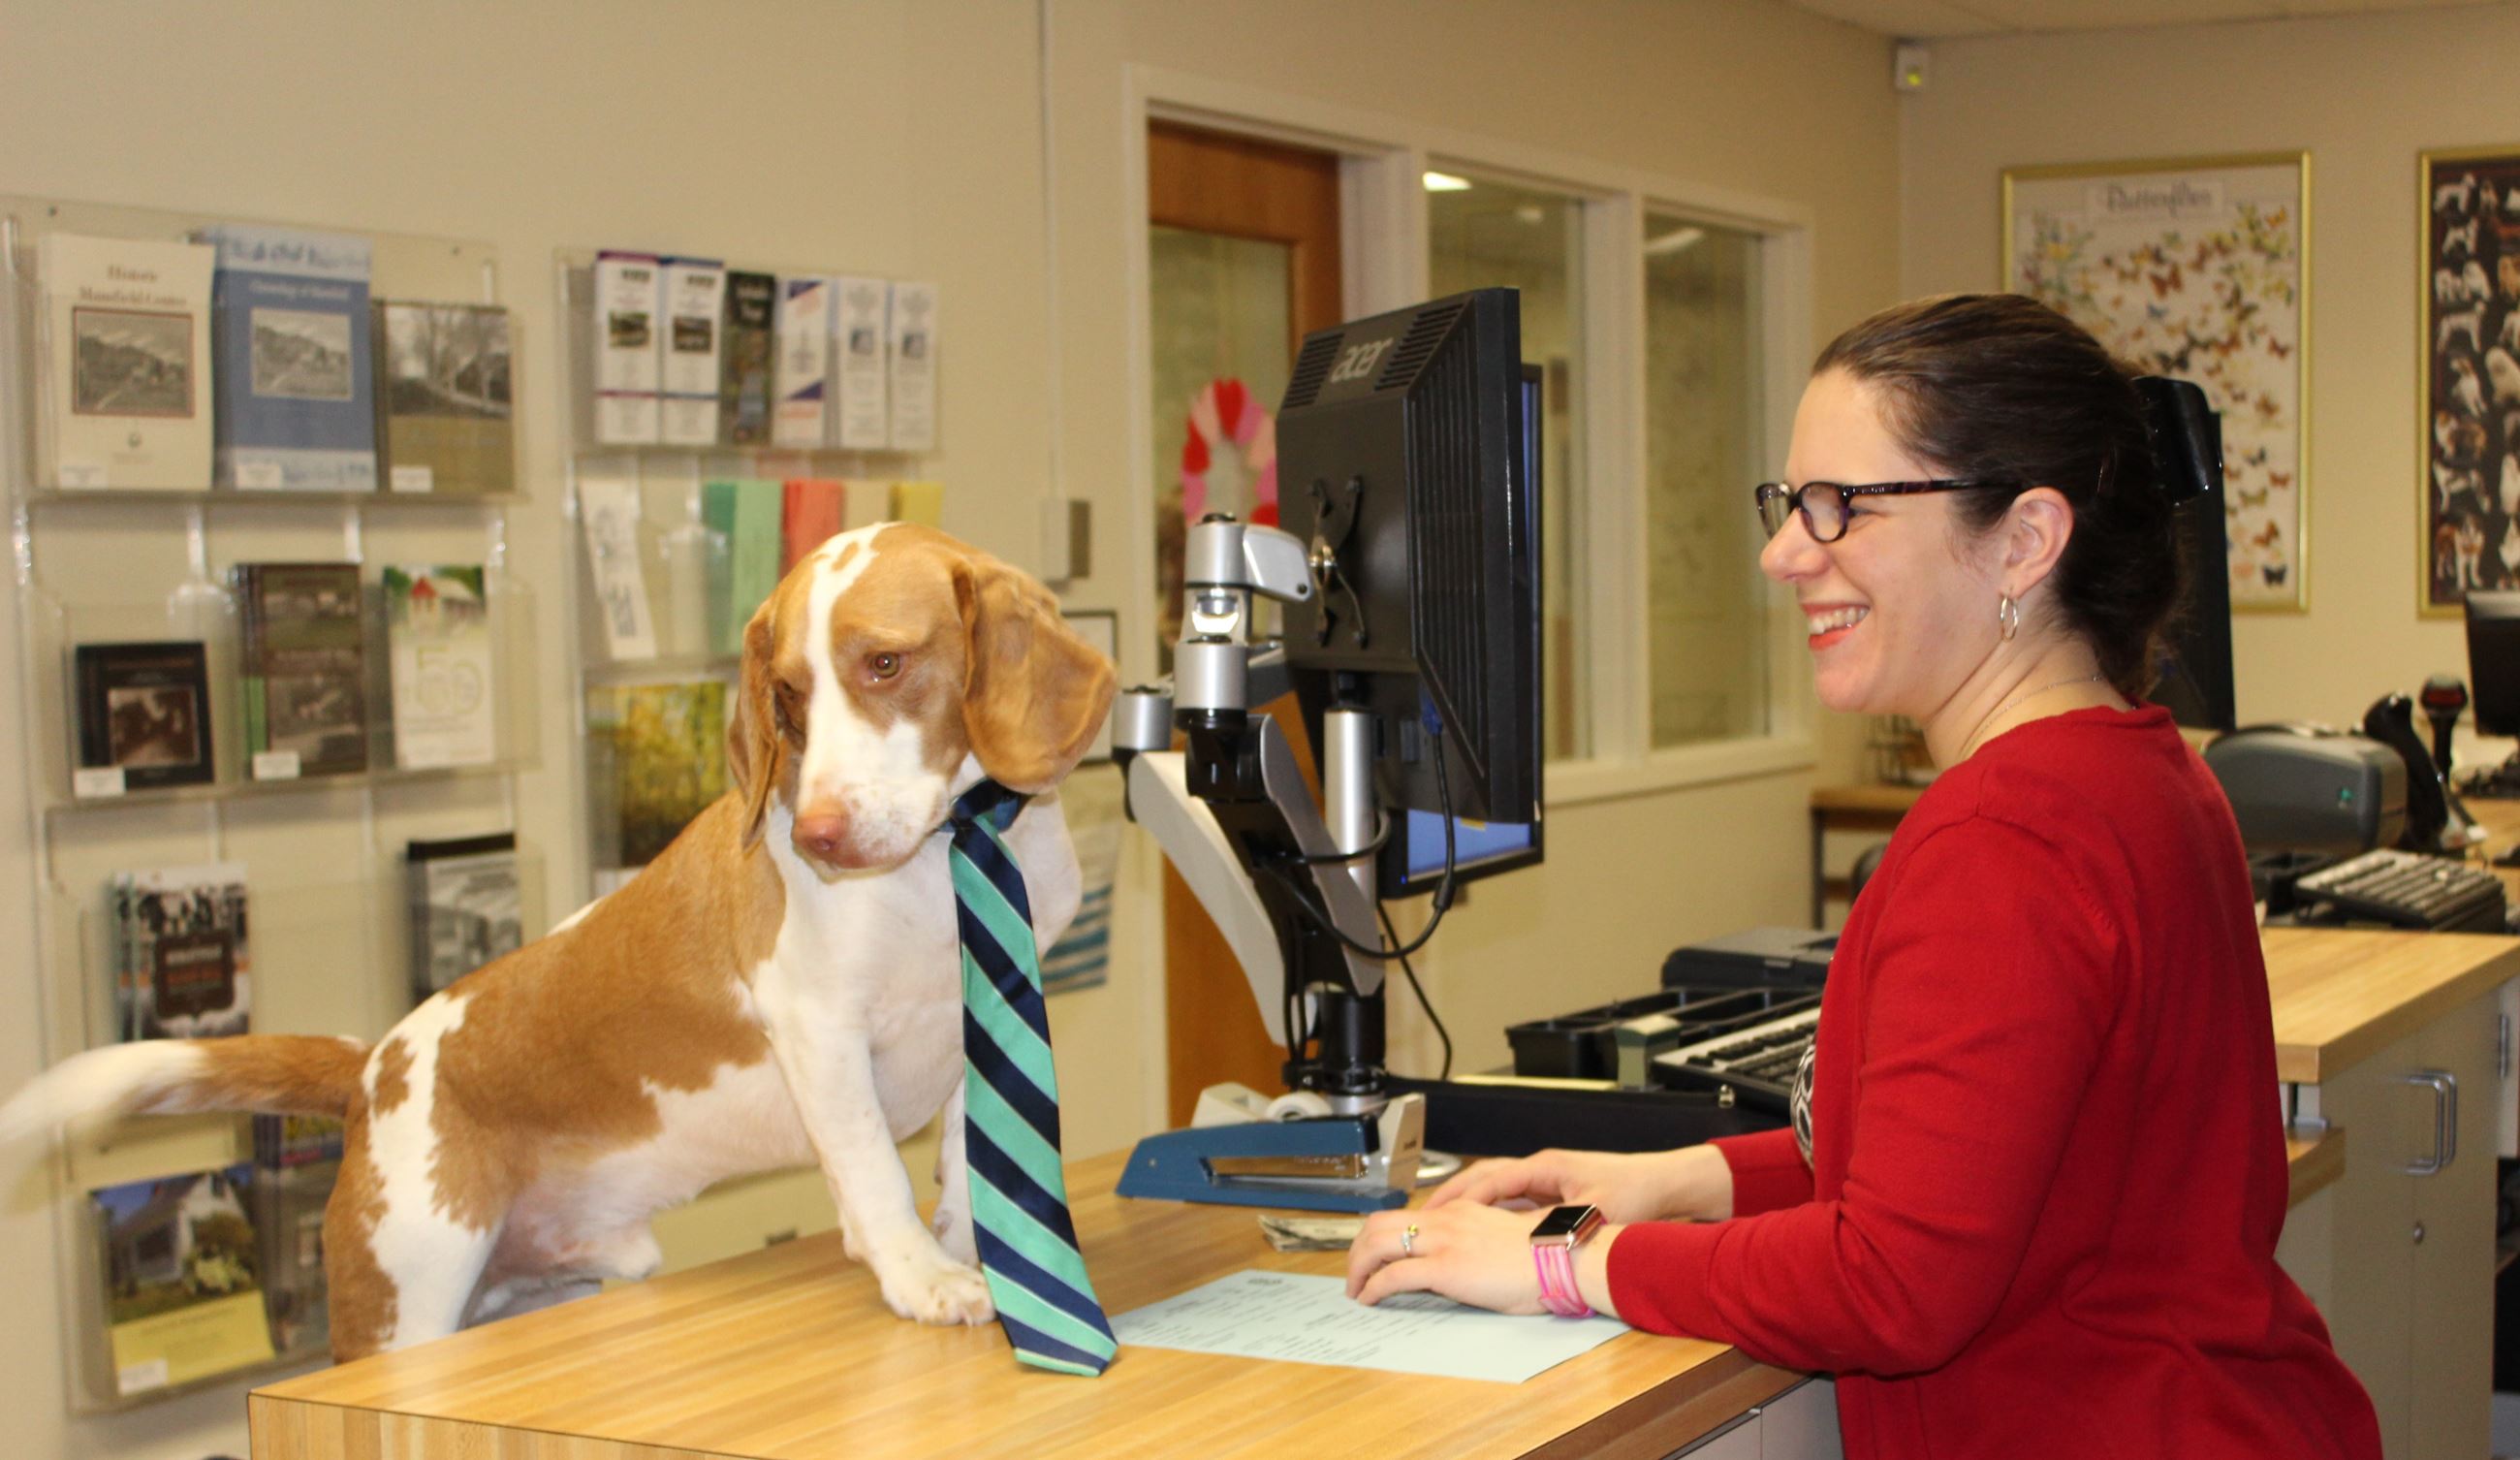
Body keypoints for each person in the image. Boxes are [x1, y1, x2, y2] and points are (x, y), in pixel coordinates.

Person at [1343, 294, 2381, 1459]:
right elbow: (1963, 1170)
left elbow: (1893, 1280)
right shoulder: (2140, 771)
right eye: (1788, 504)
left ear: (2025, 541)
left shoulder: (2003, 835)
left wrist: (1563, 1262)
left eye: (1839, 507)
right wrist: (1666, 1183)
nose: (1783, 551)